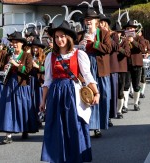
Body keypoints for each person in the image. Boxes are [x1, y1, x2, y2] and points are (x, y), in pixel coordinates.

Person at [40, 20, 99, 163]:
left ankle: (76, 158)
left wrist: (96, 93)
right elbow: (47, 81)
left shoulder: (79, 54)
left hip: (73, 94)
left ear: (69, 38)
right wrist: (43, 101)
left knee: (74, 126)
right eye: (56, 37)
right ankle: (59, 158)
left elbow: (87, 75)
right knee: (57, 128)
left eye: (62, 36)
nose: (59, 40)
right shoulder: (50, 56)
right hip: (55, 95)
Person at [0, 31, 37, 143]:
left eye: (16, 42)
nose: (14, 44)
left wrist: (16, 65)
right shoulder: (8, 56)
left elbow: (28, 70)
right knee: (8, 108)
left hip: (21, 85)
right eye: (13, 42)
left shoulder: (27, 55)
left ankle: (25, 129)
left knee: (22, 107)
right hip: (10, 83)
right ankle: (8, 135)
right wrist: (5, 69)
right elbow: (3, 68)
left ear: (22, 44)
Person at [78, 7, 112, 137]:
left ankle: (99, 125)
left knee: (102, 95)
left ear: (96, 21)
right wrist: (80, 45)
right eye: (86, 19)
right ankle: (89, 124)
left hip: (100, 67)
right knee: (87, 95)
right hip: (86, 66)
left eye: (91, 19)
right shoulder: (80, 35)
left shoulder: (104, 33)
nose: (88, 21)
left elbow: (108, 49)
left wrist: (94, 43)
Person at [123, 19, 145, 111]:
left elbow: (142, 49)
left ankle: (136, 103)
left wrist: (132, 41)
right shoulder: (124, 39)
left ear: (135, 30)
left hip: (137, 64)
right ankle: (125, 105)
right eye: (128, 28)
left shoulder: (139, 38)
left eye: (131, 28)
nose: (129, 30)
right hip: (126, 64)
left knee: (136, 85)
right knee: (126, 85)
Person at [112, 19, 130, 119]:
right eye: (115, 32)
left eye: (118, 32)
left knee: (120, 90)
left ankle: (119, 110)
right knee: (112, 90)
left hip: (122, 69)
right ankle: (113, 110)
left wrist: (118, 48)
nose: (117, 34)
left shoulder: (125, 41)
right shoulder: (110, 41)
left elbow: (127, 53)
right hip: (112, 68)